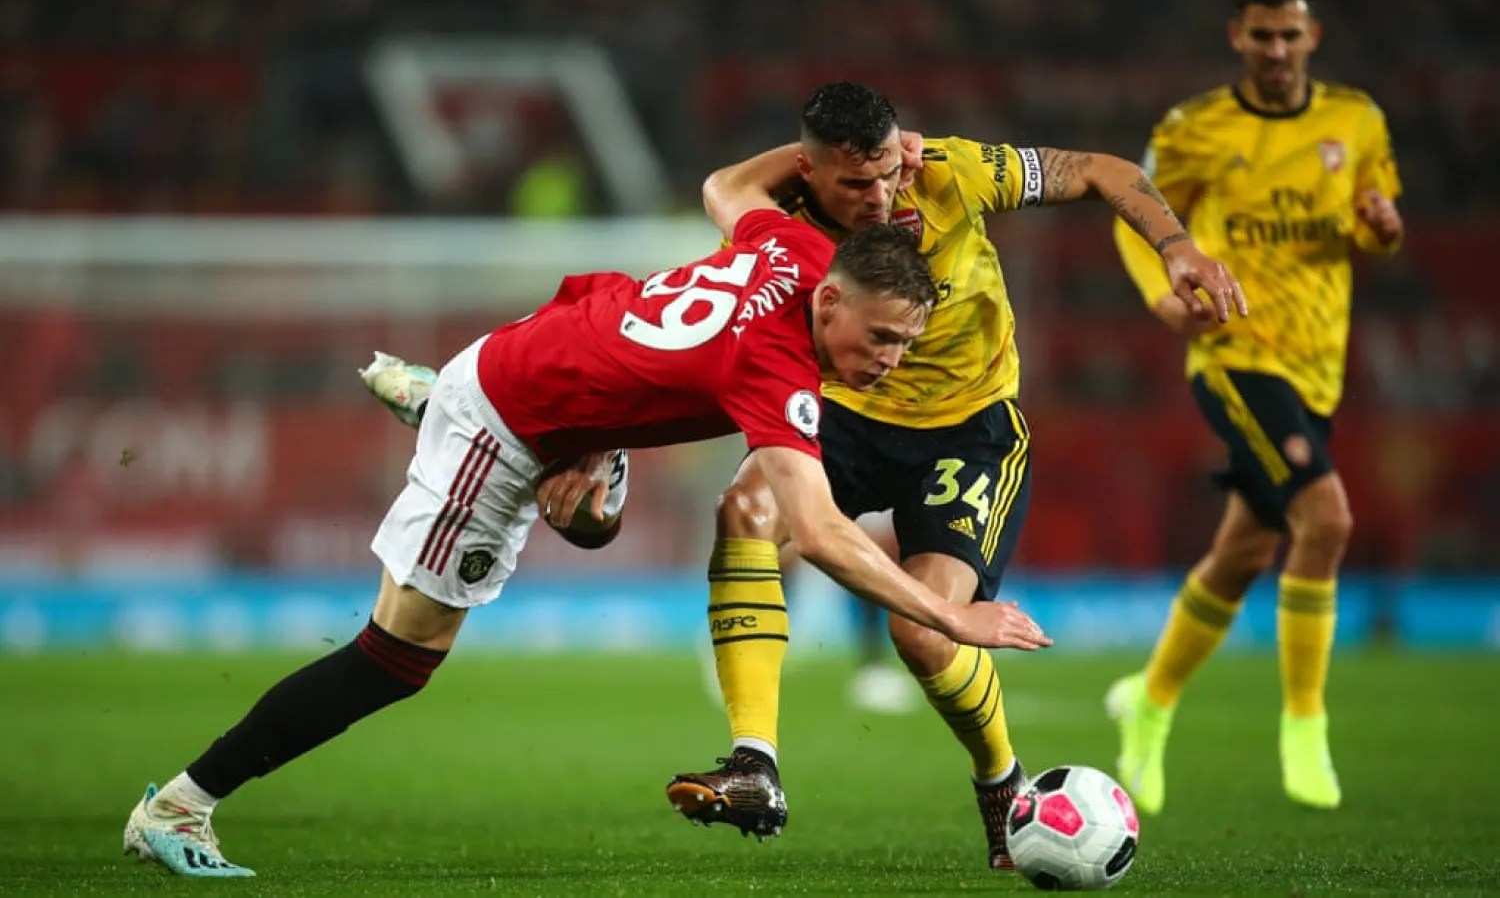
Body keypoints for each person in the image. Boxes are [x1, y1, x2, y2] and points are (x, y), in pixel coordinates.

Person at [121, 158, 1055, 879]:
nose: (891, 360)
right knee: (396, 659)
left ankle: (443, 398)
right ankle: (179, 805)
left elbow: (731, 185)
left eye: (907, 342)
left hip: (558, 363)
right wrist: (952, 615)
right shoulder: (777, 367)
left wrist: (836, 158)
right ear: (832, 301)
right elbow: (817, 534)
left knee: (594, 515)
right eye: (882, 338)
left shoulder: (800, 251)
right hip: (508, 423)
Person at [661, 81, 1247, 869]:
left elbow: (1102, 170)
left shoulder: (950, 172)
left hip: (967, 432)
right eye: (854, 182)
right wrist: (812, 166)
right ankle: (754, 761)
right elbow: (721, 187)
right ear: (807, 169)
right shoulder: (782, 213)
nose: (878, 196)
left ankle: (999, 777)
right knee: (744, 510)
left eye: (885, 174)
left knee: (923, 630)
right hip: (844, 411)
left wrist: (1175, 246)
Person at [1105, 0, 1404, 816]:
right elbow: (1136, 204)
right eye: (1262, 34)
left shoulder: (1357, 121)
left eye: (1290, 33)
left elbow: (1374, 221)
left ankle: (1151, 703)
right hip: (1235, 355)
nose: (1277, 49)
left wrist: (1384, 229)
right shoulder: (1197, 127)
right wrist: (1161, 291)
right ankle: (1305, 722)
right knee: (1328, 518)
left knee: (1241, 553)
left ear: (1313, 35)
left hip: (1318, 365)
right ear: (1238, 36)